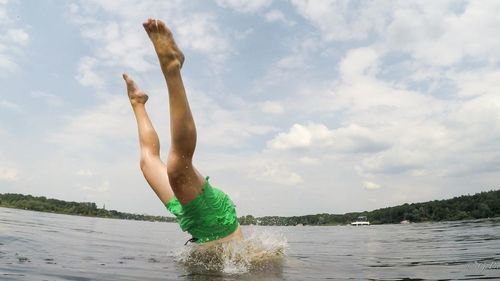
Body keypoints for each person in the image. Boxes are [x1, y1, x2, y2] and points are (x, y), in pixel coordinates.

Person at [123, 19, 243, 245]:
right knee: (177, 165)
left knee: (148, 162)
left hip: (193, 220)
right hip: (215, 222)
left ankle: (137, 103)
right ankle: (171, 67)